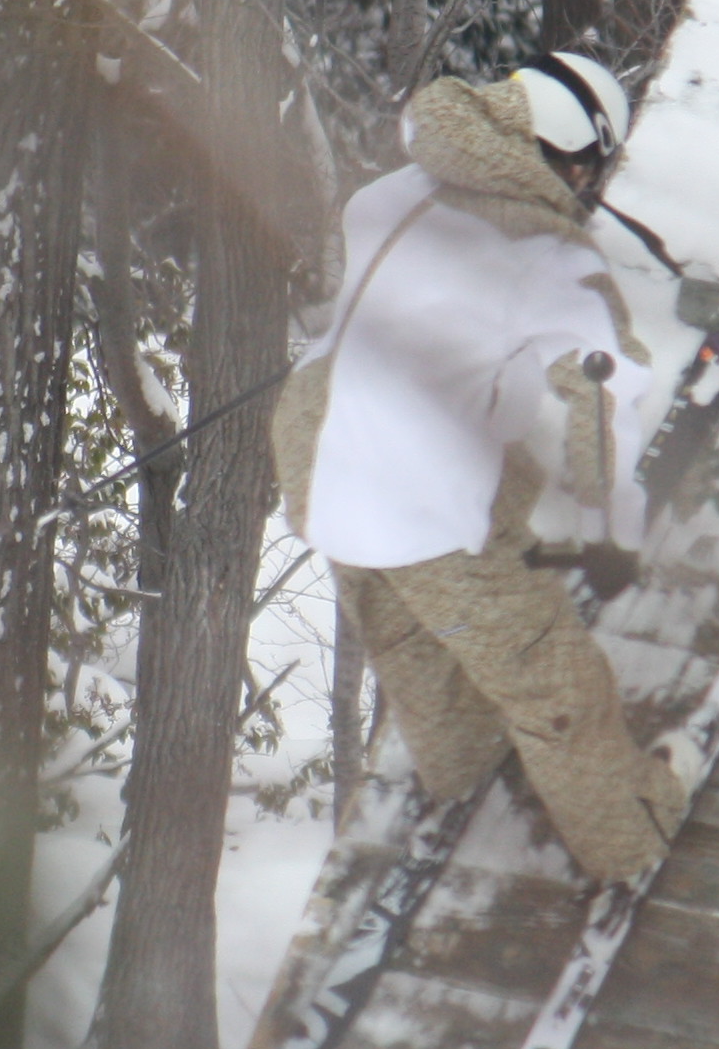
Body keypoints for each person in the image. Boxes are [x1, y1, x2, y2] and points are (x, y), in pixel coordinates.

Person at [271, 53, 689, 883]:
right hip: (410, 504)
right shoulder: (546, 259)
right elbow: (601, 392)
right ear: (573, 156)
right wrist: (611, 525)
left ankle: (462, 758)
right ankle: (633, 840)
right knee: (556, 685)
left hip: (320, 461)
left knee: (412, 633)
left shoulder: (387, 194)